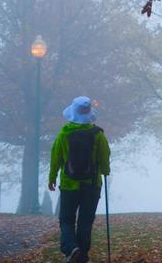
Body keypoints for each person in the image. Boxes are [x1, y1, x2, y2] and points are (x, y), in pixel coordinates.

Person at [48, 96, 110, 263]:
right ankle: (81, 256)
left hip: (69, 184)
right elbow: (105, 158)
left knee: (67, 220)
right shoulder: (98, 134)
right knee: (85, 221)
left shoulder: (64, 133)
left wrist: (52, 177)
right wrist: (105, 171)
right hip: (92, 185)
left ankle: (71, 248)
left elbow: (56, 157)